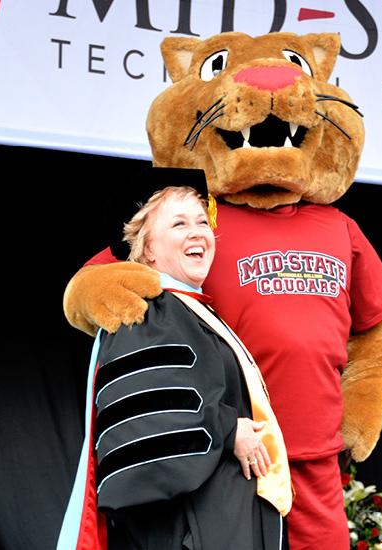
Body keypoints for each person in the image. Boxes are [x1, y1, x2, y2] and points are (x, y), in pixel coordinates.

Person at [57, 179, 292, 550]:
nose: (197, 232)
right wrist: (229, 428)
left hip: (223, 513)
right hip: (192, 526)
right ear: (148, 249)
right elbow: (152, 412)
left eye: (202, 222)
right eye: (179, 224)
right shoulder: (149, 310)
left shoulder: (191, 309)